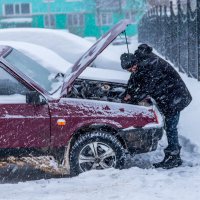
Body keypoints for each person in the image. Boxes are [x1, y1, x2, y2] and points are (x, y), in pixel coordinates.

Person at [120, 44, 192, 169]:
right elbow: (134, 79)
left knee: (171, 127)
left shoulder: (151, 64)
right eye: (129, 70)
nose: (131, 70)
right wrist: (127, 92)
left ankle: (174, 157)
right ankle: (173, 152)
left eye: (132, 68)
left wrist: (132, 97)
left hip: (175, 96)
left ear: (135, 62)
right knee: (169, 126)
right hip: (169, 96)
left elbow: (147, 87)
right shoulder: (140, 62)